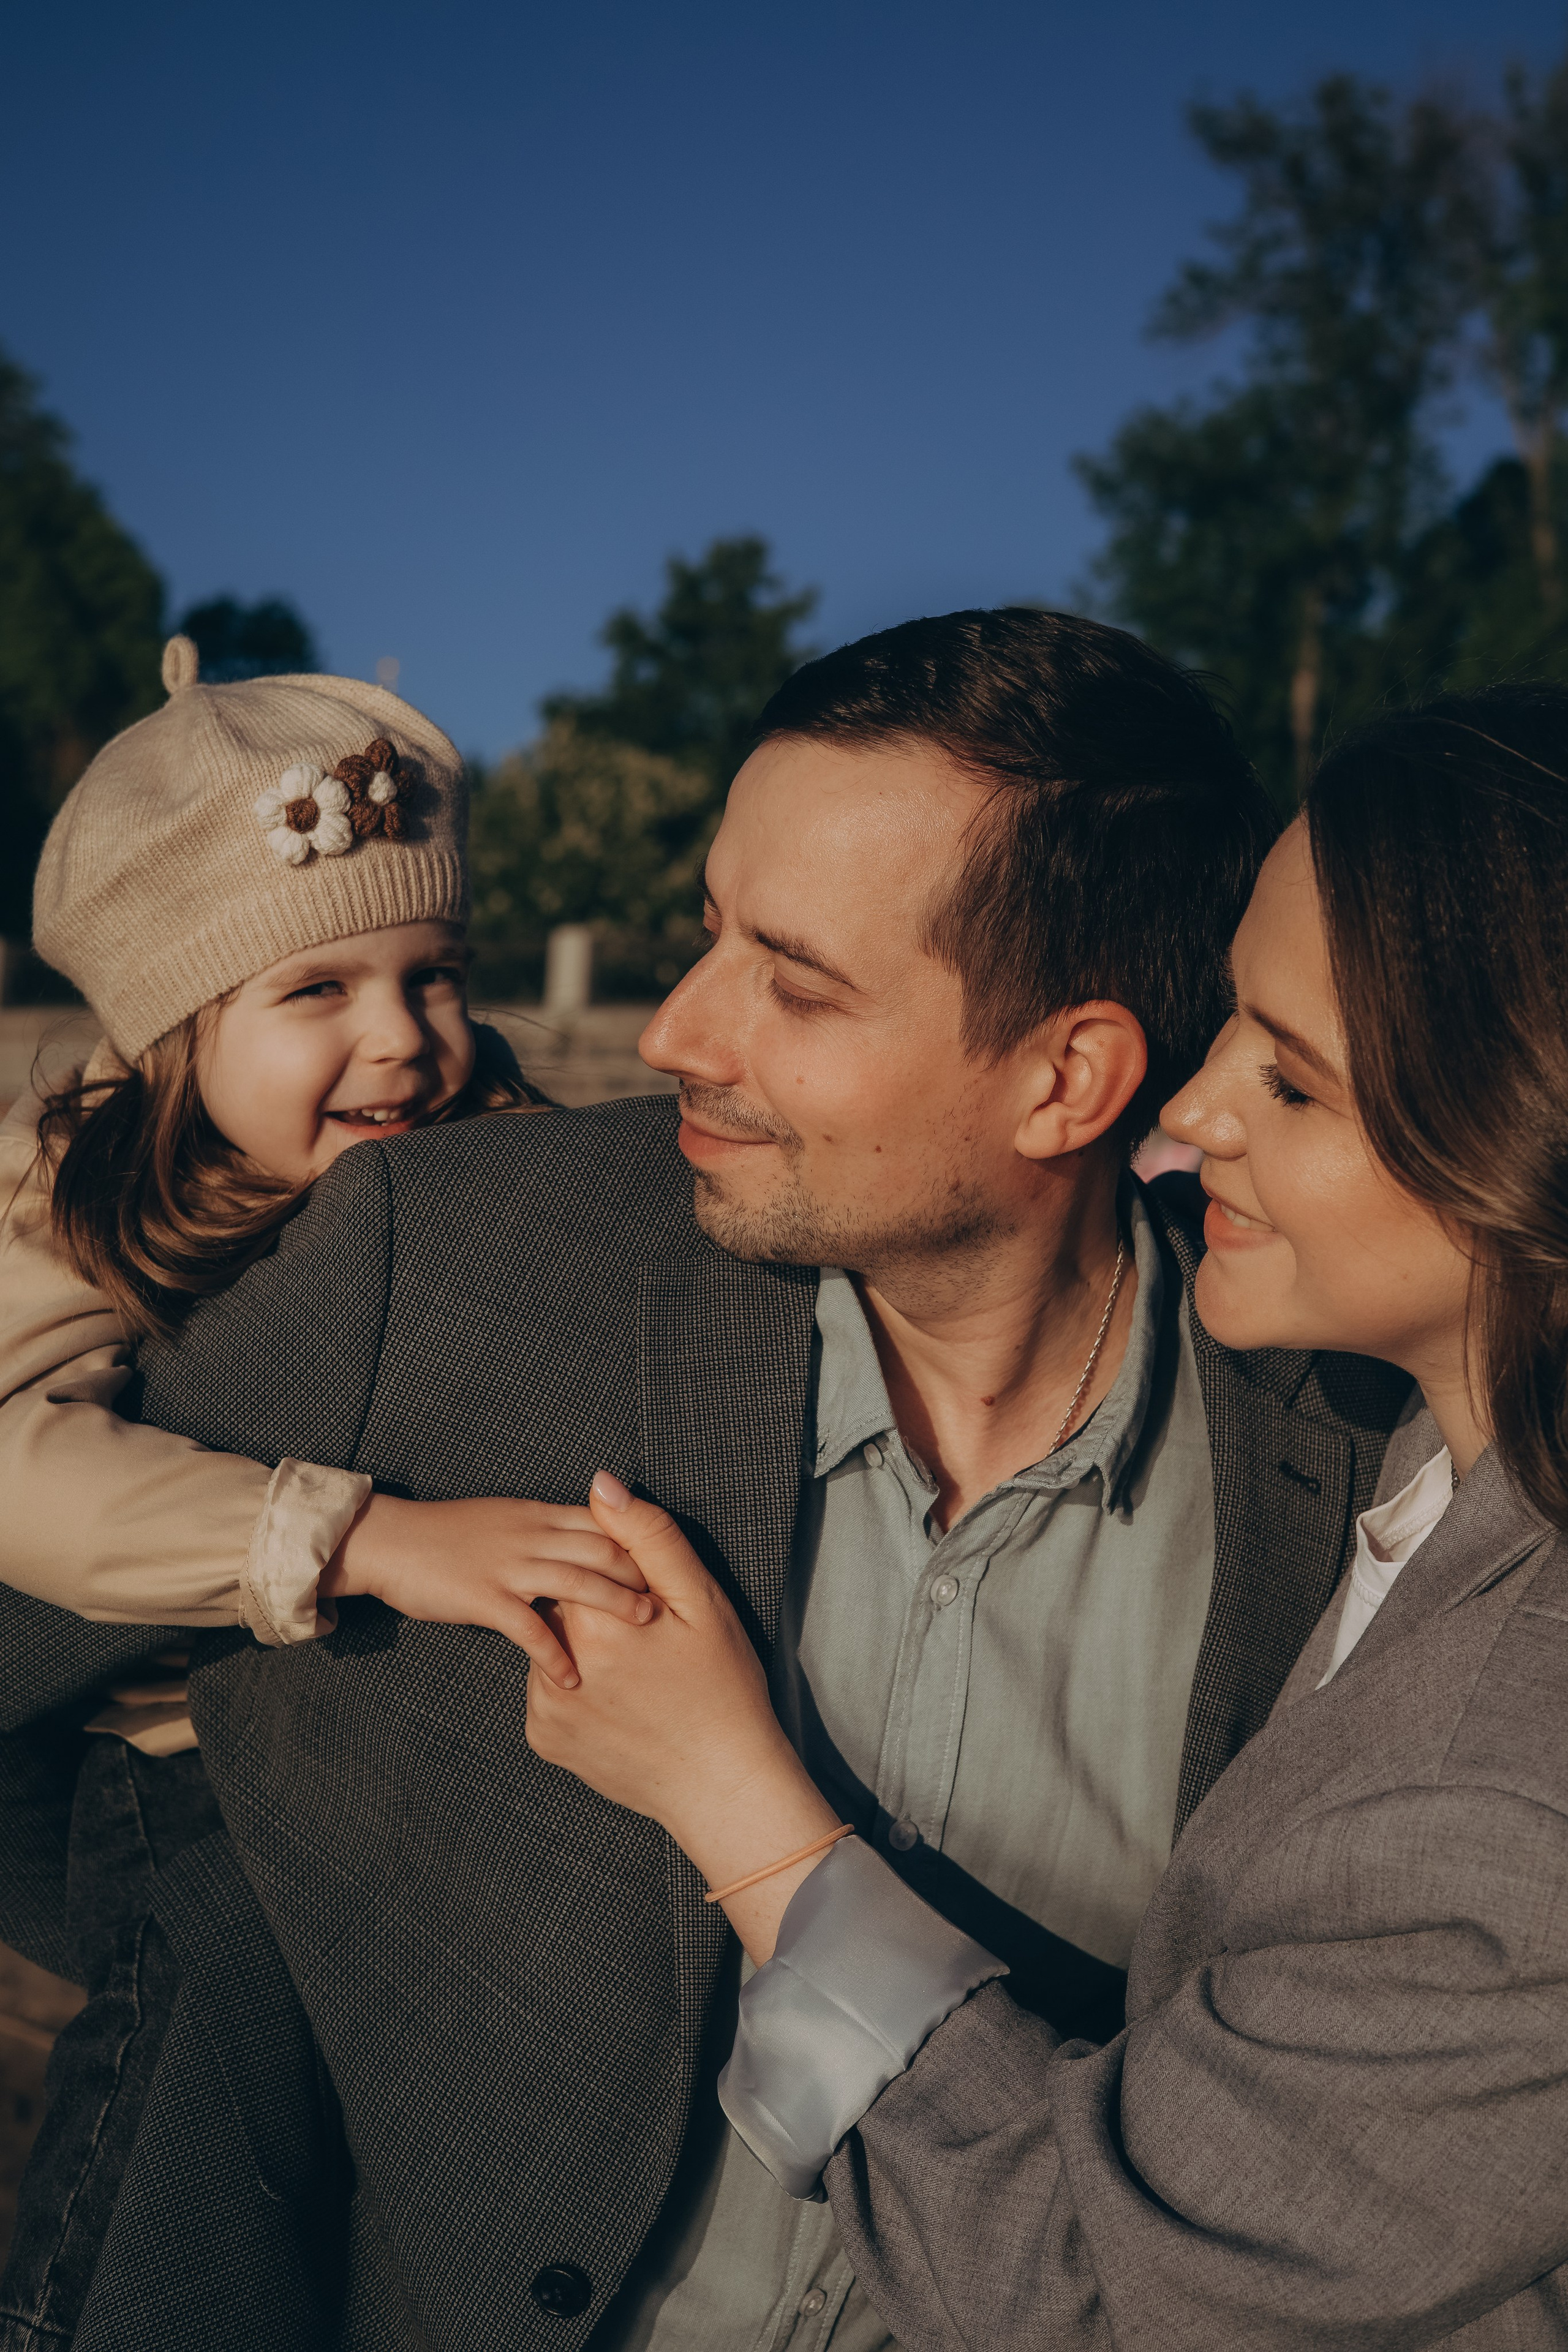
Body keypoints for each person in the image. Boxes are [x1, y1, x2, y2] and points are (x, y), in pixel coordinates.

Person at [8, 609, 1408, 2351]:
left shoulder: (1359, 1457)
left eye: (795, 983)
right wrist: (212, 1917)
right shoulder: (434, 1252)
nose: (676, 1033)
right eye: (706, 937)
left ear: (1069, 1078)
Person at [530, 682, 1568, 2350]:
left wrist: (746, 1812)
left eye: (1293, 1087)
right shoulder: (1434, 1462)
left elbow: (1095, 2287)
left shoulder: (1522, 1793)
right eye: (1234, 1020)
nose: (1197, 1105)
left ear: (1521, 1152)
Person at [0, 638, 652, 2352]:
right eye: (317, 992)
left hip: (404, 1755)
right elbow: (17, 1470)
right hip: (168, 1769)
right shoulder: (71, 1200)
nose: (405, 1040)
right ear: (167, 1035)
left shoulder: (490, 1159)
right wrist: (359, 1534)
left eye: (433, 976)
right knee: (202, 2032)